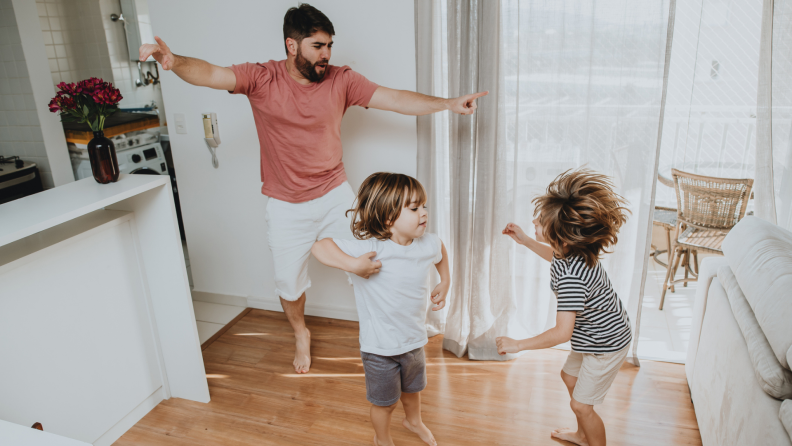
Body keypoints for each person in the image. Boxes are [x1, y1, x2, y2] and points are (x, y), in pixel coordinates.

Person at [139, 4, 486, 374]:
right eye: (318, 46)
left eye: (330, 46)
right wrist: (174, 61)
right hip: (285, 203)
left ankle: (391, 336)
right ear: (292, 45)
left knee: (376, 260)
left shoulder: (341, 80)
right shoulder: (261, 78)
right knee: (288, 285)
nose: (326, 55)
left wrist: (448, 104)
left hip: (335, 192)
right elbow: (211, 73)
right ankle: (300, 332)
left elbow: (396, 99)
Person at [495, 169, 632, 446]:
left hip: (605, 344)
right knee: (569, 376)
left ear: (563, 237)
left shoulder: (572, 278)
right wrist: (527, 240)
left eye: (541, 221)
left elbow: (561, 333)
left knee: (582, 406)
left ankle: (592, 438)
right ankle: (583, 435)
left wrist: (518, 344)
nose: (534, 220)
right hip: (595, 336)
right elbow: (553, 256)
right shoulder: (570, 251)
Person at [311, 172, 450, 446]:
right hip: (380, 349)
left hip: (414, 342)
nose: (423, 213)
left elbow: (440, 251)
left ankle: (414, 421)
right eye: (413, 208)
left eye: (424, 206)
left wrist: (445, 281)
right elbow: (319, 247)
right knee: (385, 404)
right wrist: (353, 266)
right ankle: (382, 438)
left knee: (413, 391)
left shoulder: (427, 244)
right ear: (388, 218)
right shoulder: (372, 249)